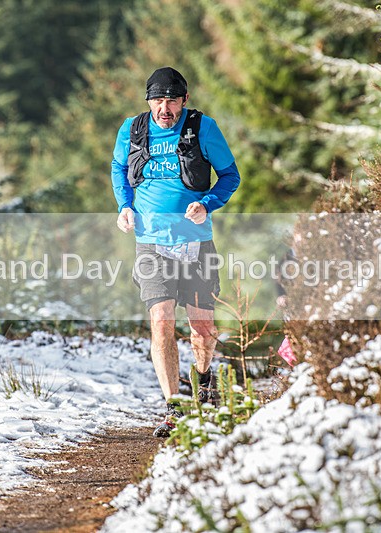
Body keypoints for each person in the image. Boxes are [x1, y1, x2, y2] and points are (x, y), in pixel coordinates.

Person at [111, 66, 241, 438]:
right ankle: (174, 408)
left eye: (171, 101)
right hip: (151, 244)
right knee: (161, 321)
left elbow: (230, 175)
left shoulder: (203, 128)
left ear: (184, 100)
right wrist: (125, 205)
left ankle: (204, 381)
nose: (164, 109)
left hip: (196, 242)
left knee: (202, 328)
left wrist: (208, 203)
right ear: (149, 101)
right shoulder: (132, 129)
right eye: (157, 101)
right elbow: (119, 167)